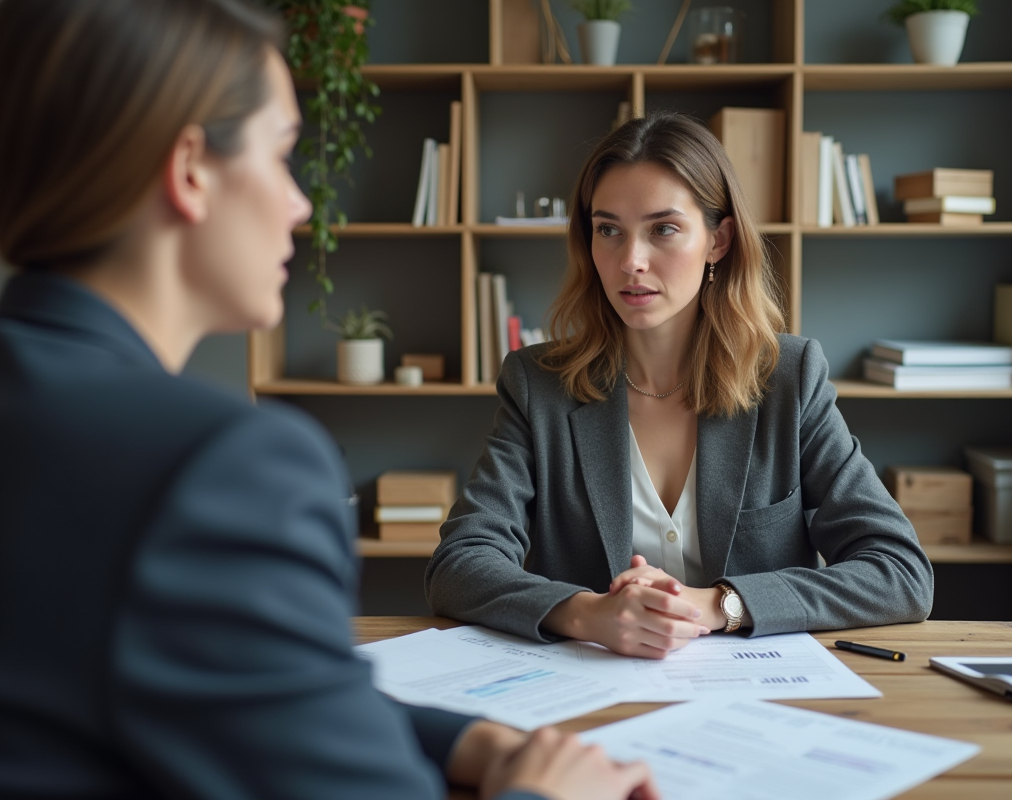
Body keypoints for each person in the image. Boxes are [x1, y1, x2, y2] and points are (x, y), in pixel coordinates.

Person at [0, 2, 657, 799]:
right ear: (190, 171)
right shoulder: (224, 468)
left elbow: (256, 684)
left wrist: (469, 742)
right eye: (282, 156)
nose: (300, 204)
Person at [426, 114, 934, 658]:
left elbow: (899, 571)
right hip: (591, 695)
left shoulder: (789, 378)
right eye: (608, 230)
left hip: (759, 698)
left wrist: (720, 606)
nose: (631, 261)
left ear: (718, 239)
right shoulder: (538, 385)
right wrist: (586, 613)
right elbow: (460, 562)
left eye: (663, 229)